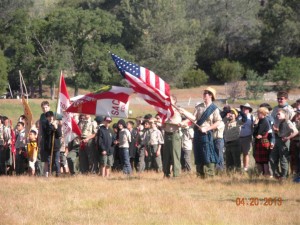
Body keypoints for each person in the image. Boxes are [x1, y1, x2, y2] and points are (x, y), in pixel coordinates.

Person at [187, 87, 222, 178]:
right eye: (204, 93)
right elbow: (193, 118)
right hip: (197, 133)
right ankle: (200, 174)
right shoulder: (198, 107)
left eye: (206, 93)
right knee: (198, 153)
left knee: (208, 154)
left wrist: (207, 128)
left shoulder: (214, 108)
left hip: (207, 134)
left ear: (210, 95)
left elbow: (218, 122)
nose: (204, 95)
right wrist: (183, 112)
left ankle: (210, 174)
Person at [271, 108, 298, 179]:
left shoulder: (287, 121)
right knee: (272, 158)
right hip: (277, 140)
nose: (277, 115)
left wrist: (288, 137)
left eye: (279, 114)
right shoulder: (278, 121)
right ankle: (277, 174)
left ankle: (284, 176)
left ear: (284, 114)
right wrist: (276, 131)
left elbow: (295, 131)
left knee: (283, 159)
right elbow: (279, 133)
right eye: (277, 114)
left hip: (284, 142)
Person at [163, 95, 182, 178]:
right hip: (166, 134)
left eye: (170, 100)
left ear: (174, 101)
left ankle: (176, 175)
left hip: (174, 134)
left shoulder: (177, 111)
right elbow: (163, 124)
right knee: (166, 156)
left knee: (175, 156)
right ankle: (166, 173)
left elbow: (178, 122)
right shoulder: (165, 111)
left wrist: (168, 121)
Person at [224, 108, 247, 173]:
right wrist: (226, 111)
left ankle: (238, 174)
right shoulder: (226, 122)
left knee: (236, 161)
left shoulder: (238, 122)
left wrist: (240, 111)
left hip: (235, 143)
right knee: (228, 161)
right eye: (230, 113)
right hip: (227, 144)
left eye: (233, 113)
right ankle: (229, 174)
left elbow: (244, 118)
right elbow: (221, 115)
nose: (231, 114)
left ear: (236, 115)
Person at [253, 107, 272, 177]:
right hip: (260, 142)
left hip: (263, 142)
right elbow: (255, 134)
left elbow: (258, 133)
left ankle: (266, 174)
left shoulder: (264, 121)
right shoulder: (261, 121)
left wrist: (255, 125)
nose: (257, 114)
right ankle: (260, 175)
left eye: (258, 113)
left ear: (262, 113)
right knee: (259, 160)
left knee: (264, 160)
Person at [43, 111, 62, 177]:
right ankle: (49, 173)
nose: (50, 118)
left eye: (51, 116)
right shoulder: (45, 124)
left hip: (56, 146)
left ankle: (58, 173)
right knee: (49, 161)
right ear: (47, 117)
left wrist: (56, 127)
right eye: (49, 117)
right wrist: (51, 125)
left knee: (57, 161)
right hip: (49, 146)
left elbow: (59, 134)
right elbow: (47, 133)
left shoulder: (58, 124)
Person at [239, 103, 255, 172]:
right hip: (238, 137)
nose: (245, 109)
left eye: (247, 108)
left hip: (247, 137)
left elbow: (253, 127)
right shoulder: (238, 116)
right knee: (237, 153)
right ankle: (238, 167)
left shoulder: (252, 117)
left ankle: (246, 167)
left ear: (249, 110)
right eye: (244, 108)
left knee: (246, 153)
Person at [37, 101, 51, 176]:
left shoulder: (52, 114)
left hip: (50, 138)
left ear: (49, 107)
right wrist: (39, 138)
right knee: (44, 157)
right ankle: (46, 173)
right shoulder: (42, 116)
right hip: (44, 138)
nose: (45, 109)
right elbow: (40, 128)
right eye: (43, 108)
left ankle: (51, 172)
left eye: (46, 107)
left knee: (51, 156)